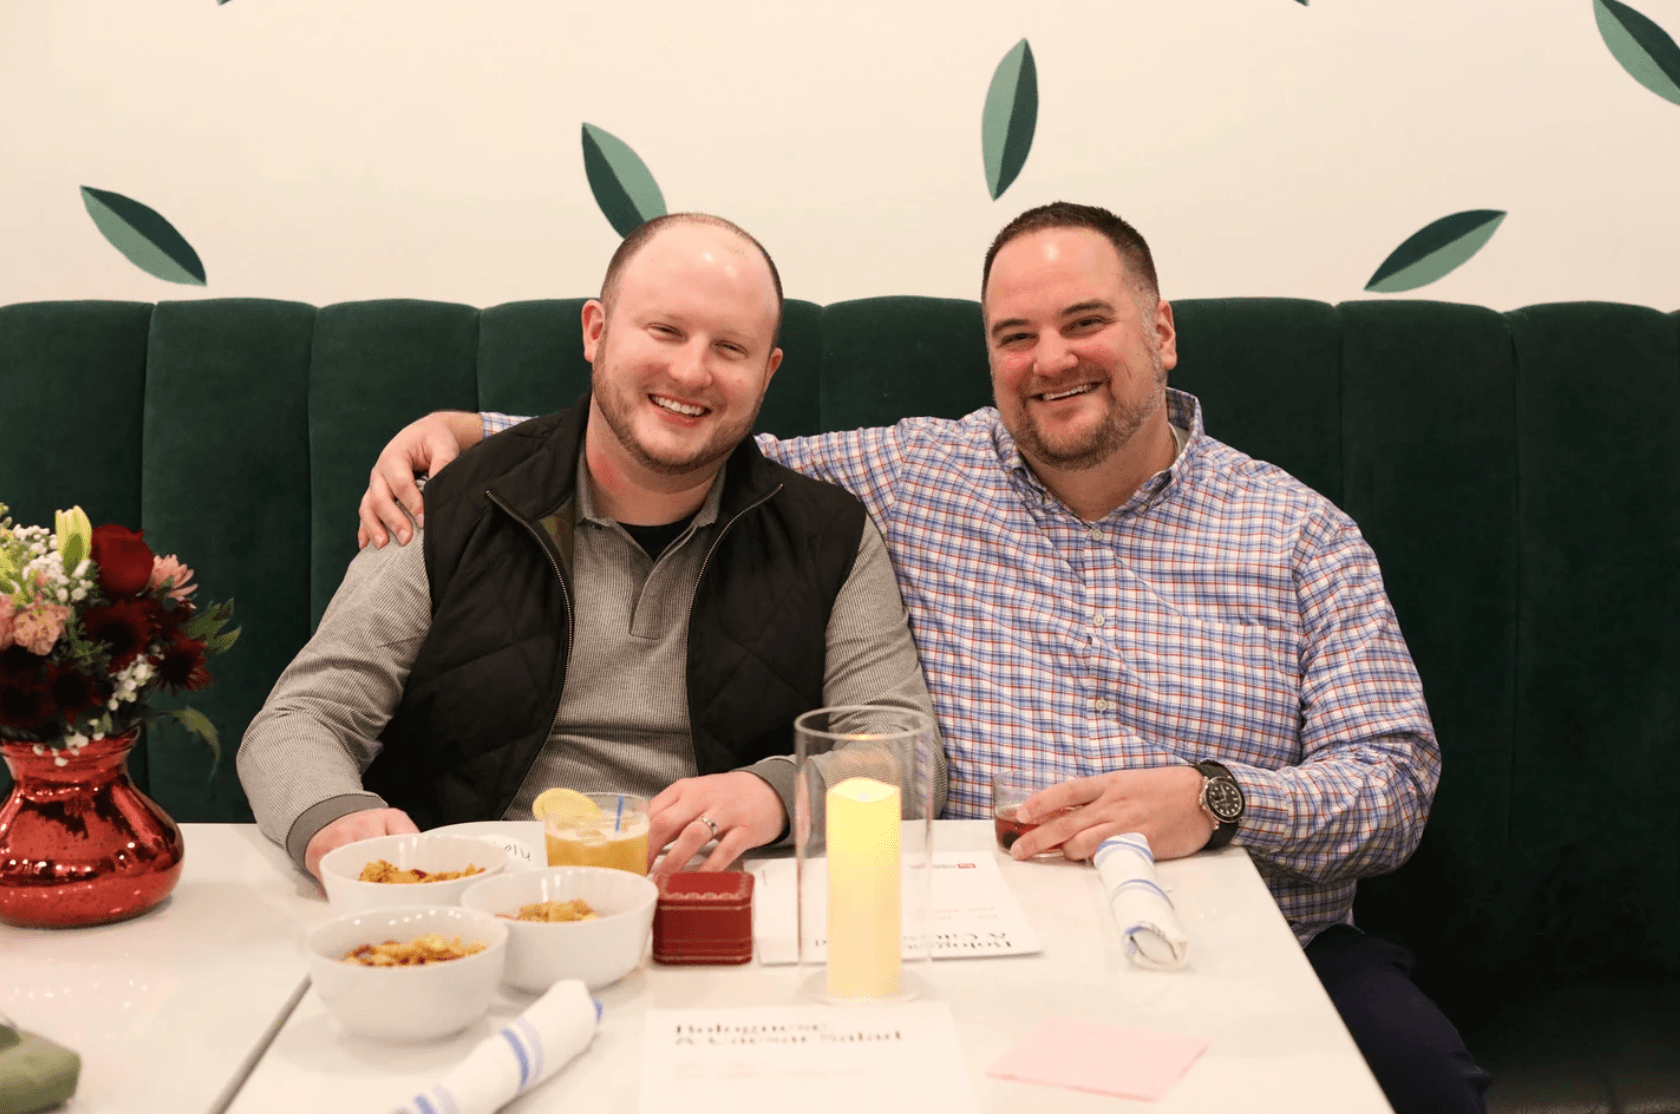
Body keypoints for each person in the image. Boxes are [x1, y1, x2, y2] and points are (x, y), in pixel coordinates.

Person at [357, 202, 1488, 1114]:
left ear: (1162, 332)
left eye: (1085, 322)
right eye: (1015, 336)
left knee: (1424, 1084)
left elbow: (1393, 784)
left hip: (1263, 941)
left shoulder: (1301, 535)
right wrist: (468, 432)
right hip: (974, 944)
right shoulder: (917, 476)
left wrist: (1216, 796)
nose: (1051, 361)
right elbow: (691, 435)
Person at [237, 213, 943, 884]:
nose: (693, 372)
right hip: (480, 900)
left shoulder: (831, 535)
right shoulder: (450, 501)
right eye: (665, 330)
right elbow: (303, 718)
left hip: (723, 895)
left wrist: (778, 794)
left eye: (731, 348)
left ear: (768, 371)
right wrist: (335, 819)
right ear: (596, 332)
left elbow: (902, 757)